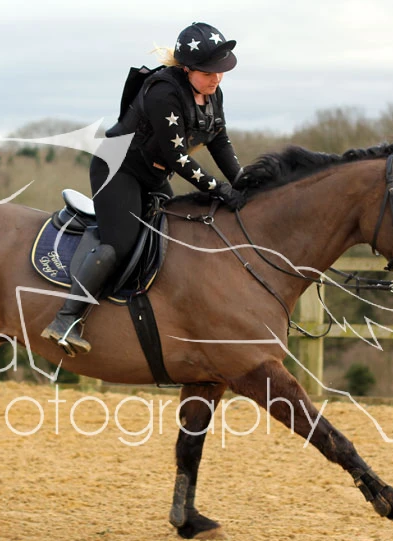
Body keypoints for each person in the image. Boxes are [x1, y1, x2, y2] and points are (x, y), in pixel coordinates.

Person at [41, 22, 248, 355]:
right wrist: (219, 188)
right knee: (119, 243)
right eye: (209, 72)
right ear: (187, 68)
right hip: (117, 169)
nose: (217, 78)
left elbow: (219, 141)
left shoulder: (213, 95)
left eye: (220, 71)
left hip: (152, 176)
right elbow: (178, 158)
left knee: (174, 236)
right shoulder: (164, 93)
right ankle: (66, 319)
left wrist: (243, 183)